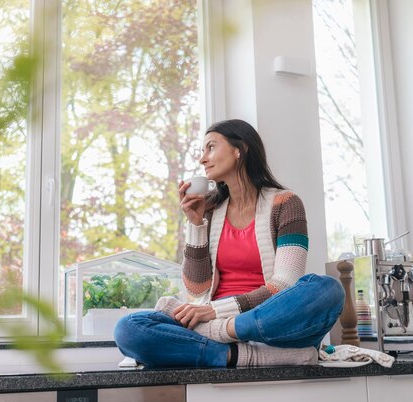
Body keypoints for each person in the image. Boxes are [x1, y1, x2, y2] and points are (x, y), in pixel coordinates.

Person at [114, 119, 345, 368]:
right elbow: (197, 287)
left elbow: (285, 284)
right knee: (129, 329)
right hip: (214, 317)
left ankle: (223, 338)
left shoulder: (285, 204)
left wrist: (217, 316)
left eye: (210, 147)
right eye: (202, 151)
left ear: (240, 150)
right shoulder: (210, 210)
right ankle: (239, 356)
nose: (203, 159)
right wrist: (196, 224)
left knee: (327, 289)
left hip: (269, 320)